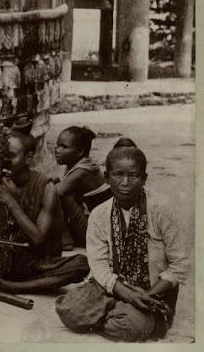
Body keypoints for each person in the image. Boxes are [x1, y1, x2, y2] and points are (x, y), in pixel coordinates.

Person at [56, 145, 190, 342]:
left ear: (144, 179)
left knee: (130, 328)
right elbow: (99, 266)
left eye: (133, 176)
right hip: (112, 286)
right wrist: (126, 294)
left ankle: (118, 316)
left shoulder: (162, 208)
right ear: (106, 177)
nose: (125, 183)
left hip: (153, 292)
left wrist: (144, 296)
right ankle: (118, 311)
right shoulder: (99, 214)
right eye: (118, 174)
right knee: (67, 309)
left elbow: (180, 265)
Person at [0, 131, 89, 294]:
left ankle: (16, 287)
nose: (4, 161)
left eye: (10, 156)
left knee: (81, 264)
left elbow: (38, 237)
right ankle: (4, 279)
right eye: (1, 155)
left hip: (33, 262)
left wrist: (11, 201)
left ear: (29, 157)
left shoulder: (46, 188)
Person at [54, 126, 111, 248]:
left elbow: (54, 192)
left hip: (95, 233)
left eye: (64, 147)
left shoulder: (81, 172)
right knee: (55, 185)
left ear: (80, 151)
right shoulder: (77, 165)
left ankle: (65, 239)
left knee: (58, 194)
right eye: (57, 145)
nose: (57, 150)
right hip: (94, 225)